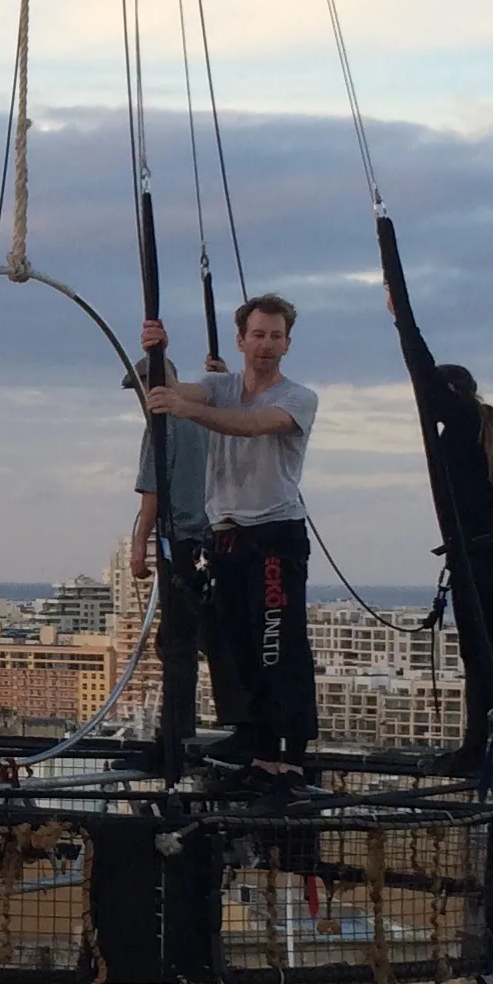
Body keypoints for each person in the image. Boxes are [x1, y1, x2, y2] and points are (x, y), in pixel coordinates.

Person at [144, 294, 319, 776]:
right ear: (241, 339)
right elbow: (180, 391)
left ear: (286, 344)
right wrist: (158, 353)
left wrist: (183, 407)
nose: (266, 345)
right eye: (258, 335)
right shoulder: (220, 386)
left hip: (275, 536)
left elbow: (253, 426)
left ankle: (289, 755)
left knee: (277, 643)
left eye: (275, 336)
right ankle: (257, 744)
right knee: (234, 643)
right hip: (227, 536)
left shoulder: (297, 397)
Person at [392, 294, 493, 773]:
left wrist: (401, 321)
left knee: (484, 657)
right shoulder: (483, 436)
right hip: (490, 554)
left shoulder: (469, 423)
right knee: (489, 654)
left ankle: (484, 748)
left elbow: (426, 379)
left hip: (482, 555)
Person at [130, 351, 234, 773]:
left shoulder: (162, 423)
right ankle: (245, 727)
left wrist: (140, 544)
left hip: (183, 542)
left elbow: (152, 492)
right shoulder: (210, 413)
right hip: (222, 541)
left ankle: (174, 740)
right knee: (210, 638)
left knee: (176, 646)